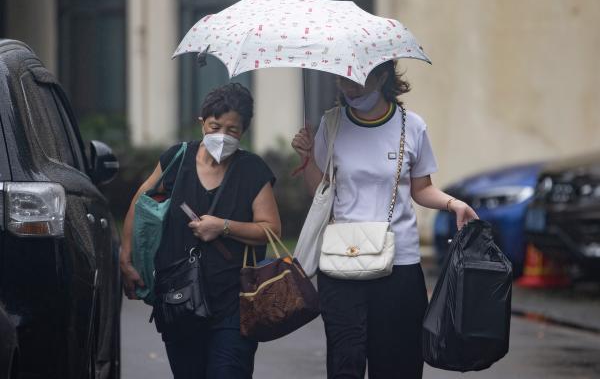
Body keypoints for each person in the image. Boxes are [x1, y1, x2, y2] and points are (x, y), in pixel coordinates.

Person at [291, 60, 478, 379]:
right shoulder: (332, 123)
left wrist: (453, 204)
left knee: (398, 363)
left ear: (382, 76)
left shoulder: (412, 125)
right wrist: (307, 157)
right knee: (344, 363)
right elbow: (320, 191)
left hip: (400, 265)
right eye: (342, 81)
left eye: (358, 81)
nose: (349, 89)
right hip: (341, 262)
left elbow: (422, 189)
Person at [120, 83, 281, 379]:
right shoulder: (176, 159)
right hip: (179, 300)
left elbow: (271, 229)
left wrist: (223, 227)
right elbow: (140, 202)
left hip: (234, 303)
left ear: (244, 131)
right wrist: (125, 257)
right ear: (202, 123)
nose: (222, 135)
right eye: (215, 126)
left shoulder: (252, 170)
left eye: (232, 130)